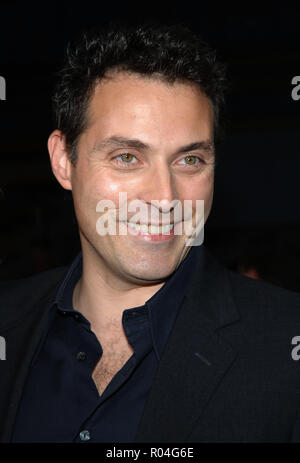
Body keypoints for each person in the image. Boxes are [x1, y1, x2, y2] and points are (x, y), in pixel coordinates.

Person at [1, 20, 300, 443]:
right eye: (126, 157)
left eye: (189, 160)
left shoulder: (284, 349)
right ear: (63, 161)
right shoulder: (8, 321)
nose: (164, 198)